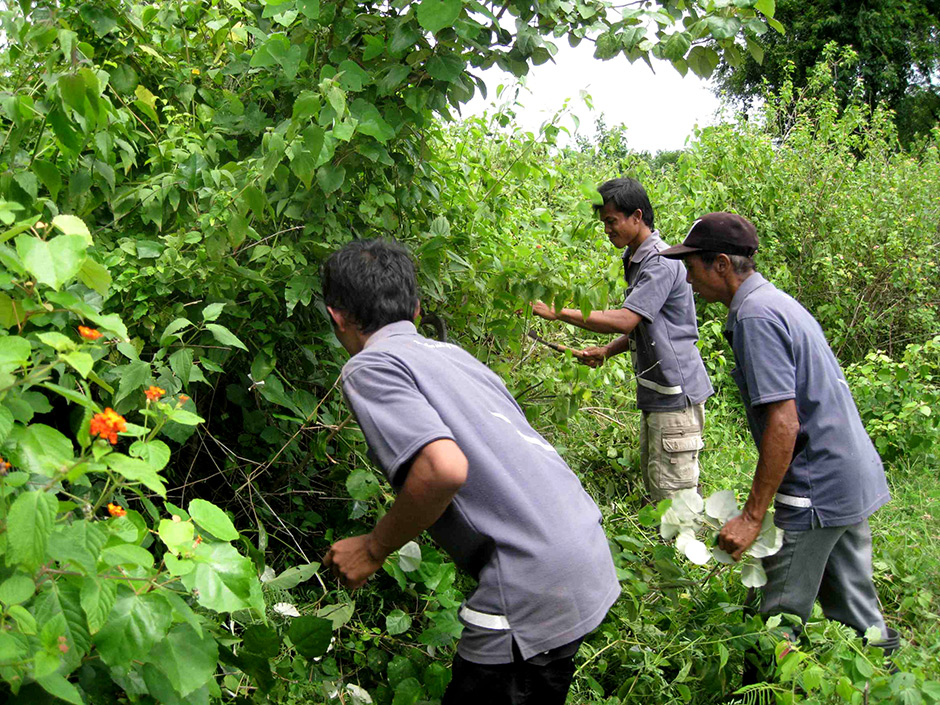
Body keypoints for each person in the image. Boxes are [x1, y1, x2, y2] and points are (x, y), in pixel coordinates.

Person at [321, 239, 620, 704]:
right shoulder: (456, 357)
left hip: (528, 580)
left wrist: (373, 548)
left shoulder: (372, 365)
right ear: (417, 310)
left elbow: (443, 469)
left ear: (336, 316)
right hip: (583, 552)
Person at [659, 212, 897, 658]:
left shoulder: (755, 316)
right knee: (858, 614)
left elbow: (784, 423)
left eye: (693, 268)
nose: (689, 281)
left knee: (774, 622)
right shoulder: (775, 301)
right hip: (848, 477)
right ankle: (890, 678)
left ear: (723, 265)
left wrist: (752, 516)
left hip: (815, 486)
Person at [531, 177, 713, 502]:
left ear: (637, 216)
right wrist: (607, 351)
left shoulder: (660, 261)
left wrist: (558, 311)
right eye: (604, 223)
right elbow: (645, 325)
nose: (607, 230)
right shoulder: (635, 258)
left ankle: (685, 553)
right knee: (661, 488)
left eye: (611, 222)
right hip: (660, 396)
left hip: (676, 397)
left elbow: (627, 318)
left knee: (675, 501)